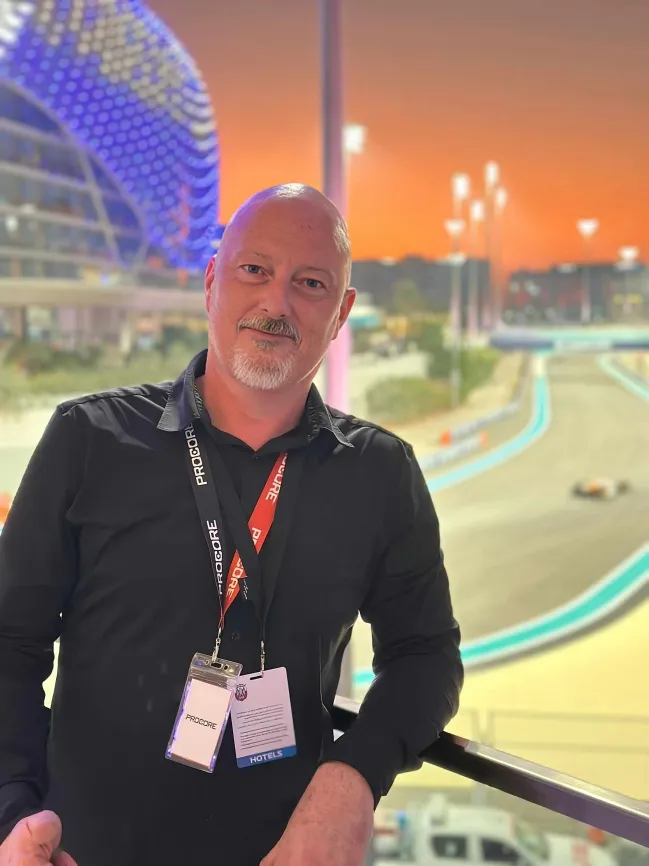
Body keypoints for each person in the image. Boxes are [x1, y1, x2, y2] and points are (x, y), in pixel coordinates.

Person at [0, 183, 463, 866]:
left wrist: (354, 775)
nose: (276, 303)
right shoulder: (89, 440)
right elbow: (9, 644)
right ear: (213, 281)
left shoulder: (380, 474)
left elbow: (427, 656)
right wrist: (15, 810)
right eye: (255, 270)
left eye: (309, 283)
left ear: (341, 314)